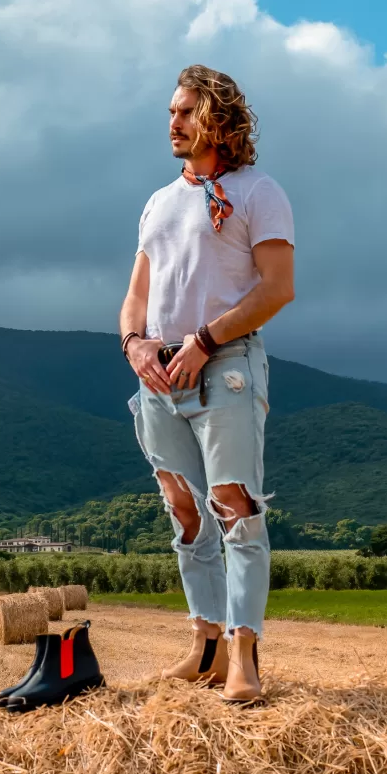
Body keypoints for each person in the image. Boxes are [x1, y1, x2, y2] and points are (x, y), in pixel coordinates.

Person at [120, 64, 294, 704]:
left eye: (185, 112)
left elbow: (277, 290)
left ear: (217, 119)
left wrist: (206, 341)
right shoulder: (157, 202)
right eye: (171, 112)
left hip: (225, 367)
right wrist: (135, 343)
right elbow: (135, 295)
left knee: (234, 507)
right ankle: (206, 647)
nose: (173, 123)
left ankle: (245, 656)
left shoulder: (258, 192)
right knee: (184, 510)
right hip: (159, 373)